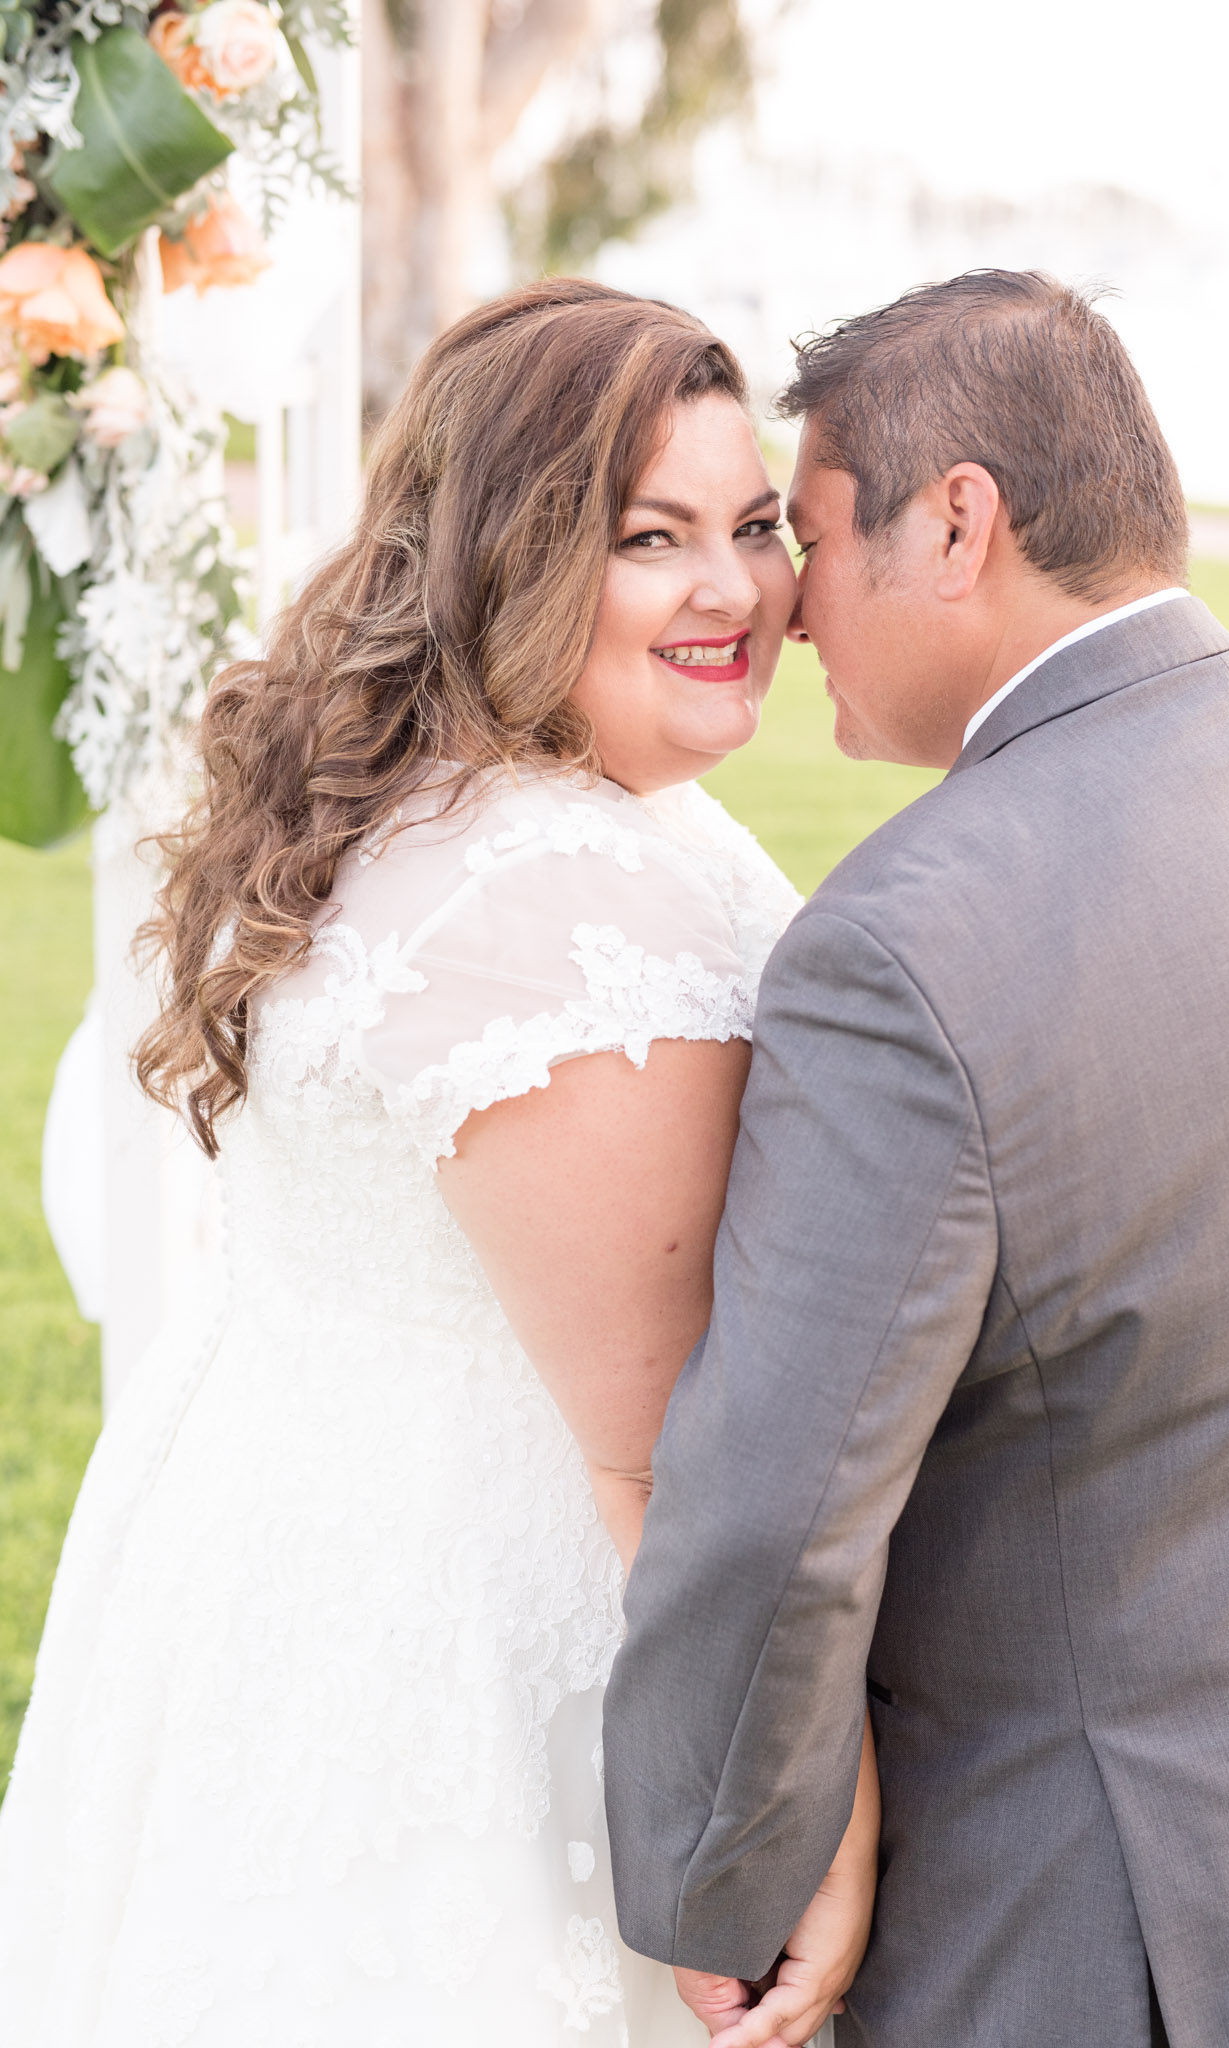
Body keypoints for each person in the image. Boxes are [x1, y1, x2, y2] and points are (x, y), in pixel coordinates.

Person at [0, 279, 875, 2047]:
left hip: (273, 1548)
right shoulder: (549, 894)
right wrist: (808, 1825)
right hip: (471, 1652)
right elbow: (656, 1463)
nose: (737, 592)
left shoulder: (426, 793)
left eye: (758, 526)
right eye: (656, 538)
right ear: (520, 550)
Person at [605, 267, 1229, 2048]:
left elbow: (781, 1520)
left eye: (814, 535)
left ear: (960, 527)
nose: (790, 616)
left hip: (1083, 1919)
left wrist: (723, 1885)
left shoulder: (905, 945)